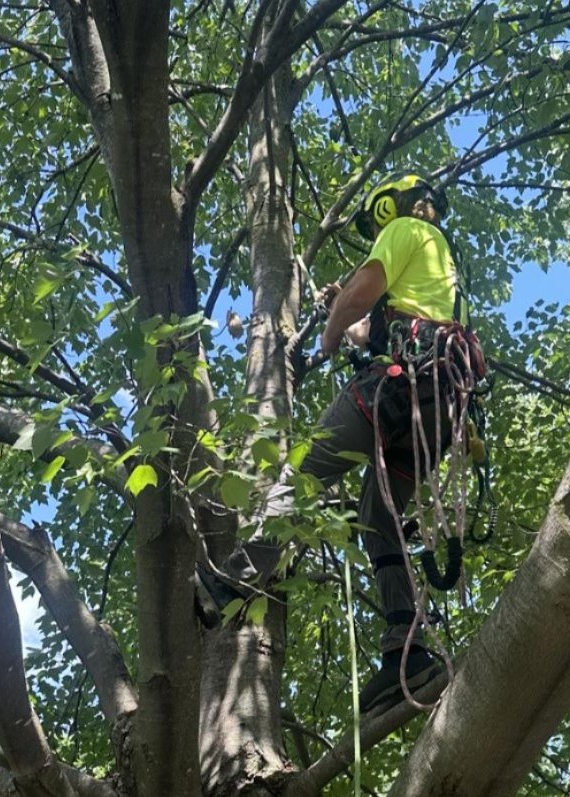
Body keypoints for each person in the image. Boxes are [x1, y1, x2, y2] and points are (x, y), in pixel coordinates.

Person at [200, 172, 483, 717]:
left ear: (395, 206)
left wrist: (328, 338)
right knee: (380, 518)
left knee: (305, 470)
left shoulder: (405, 228)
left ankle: (232, 578)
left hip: (392, 392)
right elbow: (378, 317)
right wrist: (352, 320)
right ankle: (409, 645)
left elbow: (360, 296)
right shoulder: (446, 274)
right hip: (436, 415)